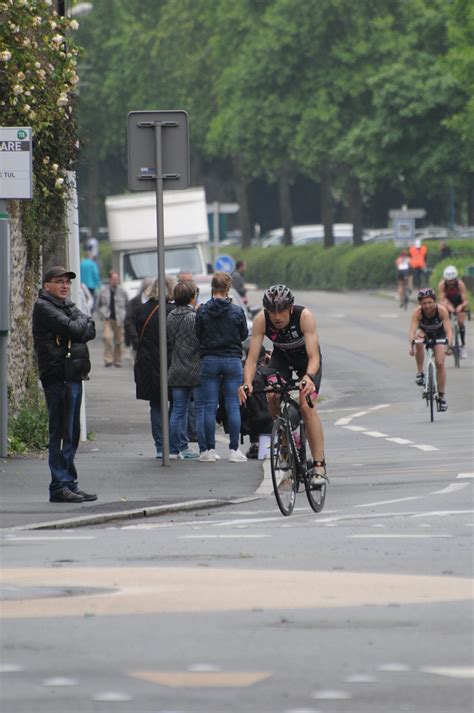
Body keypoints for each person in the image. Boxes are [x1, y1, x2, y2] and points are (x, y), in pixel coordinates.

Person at [238, 284, 326, 484]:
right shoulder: (262, 320)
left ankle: (319, 466)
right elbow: (252, 359)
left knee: (306, 404)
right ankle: (286, 442)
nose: (277, 317)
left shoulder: (304, 317)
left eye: (281, 311)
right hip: (282, 358)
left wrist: (309, 377)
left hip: (307, 361)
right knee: (271, 393)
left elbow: (314, 356)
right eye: (272, 312)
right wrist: (246, 383)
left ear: (290, 308)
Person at [32, 266, 97, 503]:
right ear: (46, 285)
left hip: (73, 375)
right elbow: (77, 328)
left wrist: (80, 323)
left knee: (72, 432)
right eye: (59, 282)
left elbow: (89, 328)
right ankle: (59, 485)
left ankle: (69, 482)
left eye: (67, 283)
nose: (65, 286)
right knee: (60, 432)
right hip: (58, 376)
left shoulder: (66, 306)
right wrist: (80, 324)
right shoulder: (44, 307)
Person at [195, 271, 249, 462]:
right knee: (233, 405)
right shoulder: (236, 311)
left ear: (212, 288)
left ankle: (209, 450)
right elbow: (243, 335)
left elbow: (198, 335)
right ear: (227, 289)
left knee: (209, 406)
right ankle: (234, 450)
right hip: (232, 360)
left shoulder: (202, 310)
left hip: (209, 360)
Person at [134, 279, 174, 458]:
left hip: (147, 364)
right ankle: (172, 444)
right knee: (177, 404)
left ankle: (160, 446)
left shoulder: (141, 310)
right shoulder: (172, 312)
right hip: (170, 363)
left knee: (156, 405)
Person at [167, 281, 205, 459]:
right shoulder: (194, 317)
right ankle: (204, 448)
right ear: (192, 297)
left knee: (177, 410)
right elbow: (201, 342)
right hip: (195, 369)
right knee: (199, 410)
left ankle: (174, 449)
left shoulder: (170, 316)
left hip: (176, 368)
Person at [408, 287, 453, 411]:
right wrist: (411, 345)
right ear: (420, 304)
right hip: (425, 333)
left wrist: (449, 345)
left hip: (439, 335)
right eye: (424, 303)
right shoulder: (418, 313)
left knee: (440, 363)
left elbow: (449, 331)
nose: (427, 306)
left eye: (429, 302)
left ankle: (442, 398)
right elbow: (412, 331)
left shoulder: (442, 311)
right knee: (418, 340)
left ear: (434, 301)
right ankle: (420, 372)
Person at [97, 271, 128, 367]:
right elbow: (98, 305)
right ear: (110, 279)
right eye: (114, 279)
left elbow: (127, 304)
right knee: (107, 338)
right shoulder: (104, 291)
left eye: (116, 279)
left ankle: (118, 360)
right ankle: (108, 360)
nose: (115, 281)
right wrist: (101, 316)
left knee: (119, 341)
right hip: (108, 319)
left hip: (119, 320)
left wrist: (125, 316)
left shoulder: (122, 292)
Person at [438, 265, 469, 358]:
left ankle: (463, 345)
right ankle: (449, 342)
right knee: (445, 317)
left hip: (458, 301)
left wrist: (461, 306)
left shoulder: (460, 284)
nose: (450, 283)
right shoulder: (442, 285)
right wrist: (449, 308)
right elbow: (442, 299)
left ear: (456, 279)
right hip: (448, 302)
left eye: (452, 280)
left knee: (461, 322)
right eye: (448, 281)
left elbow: (465, 300)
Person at [124, 277, 153, 355]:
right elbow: (129, 321)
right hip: (137, 341)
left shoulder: (156, 302)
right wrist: (134, 337)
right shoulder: (134, 302)